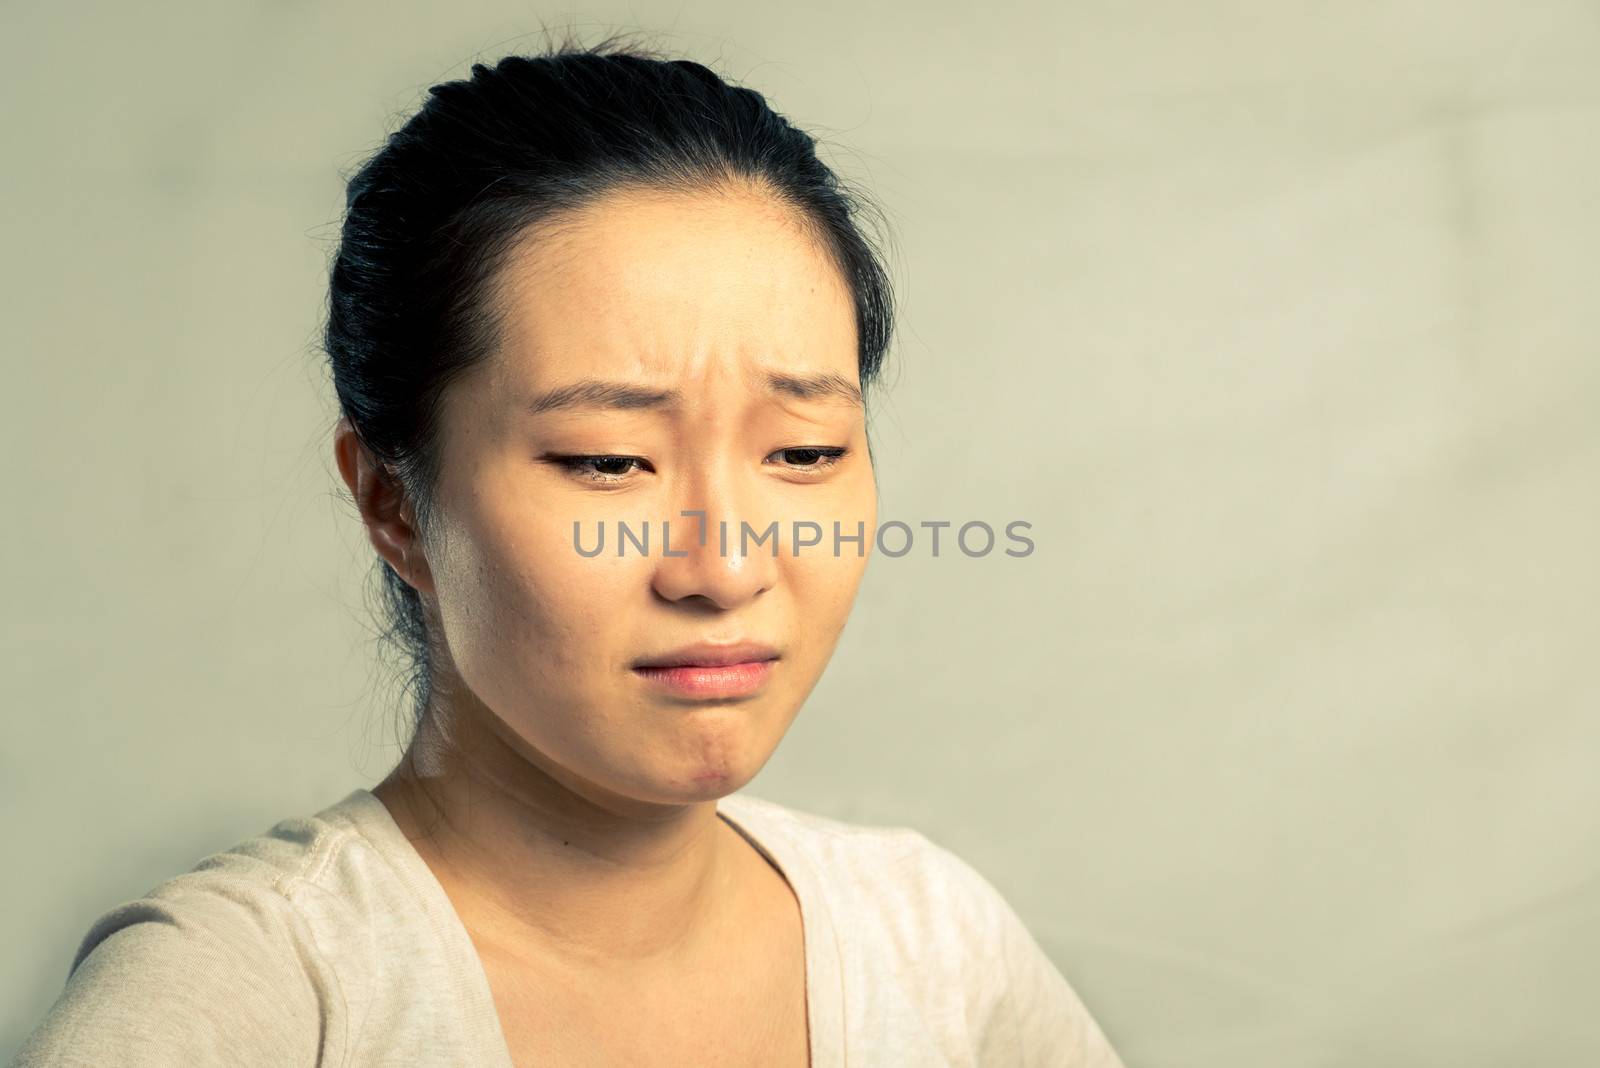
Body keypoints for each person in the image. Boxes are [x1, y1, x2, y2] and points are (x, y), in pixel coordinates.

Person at [11, 31, 1124, 1068]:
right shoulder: (248, 997)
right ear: (393, 502)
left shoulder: (936, 952)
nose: (726, 568)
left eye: (804, 449)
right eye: (606, 462)